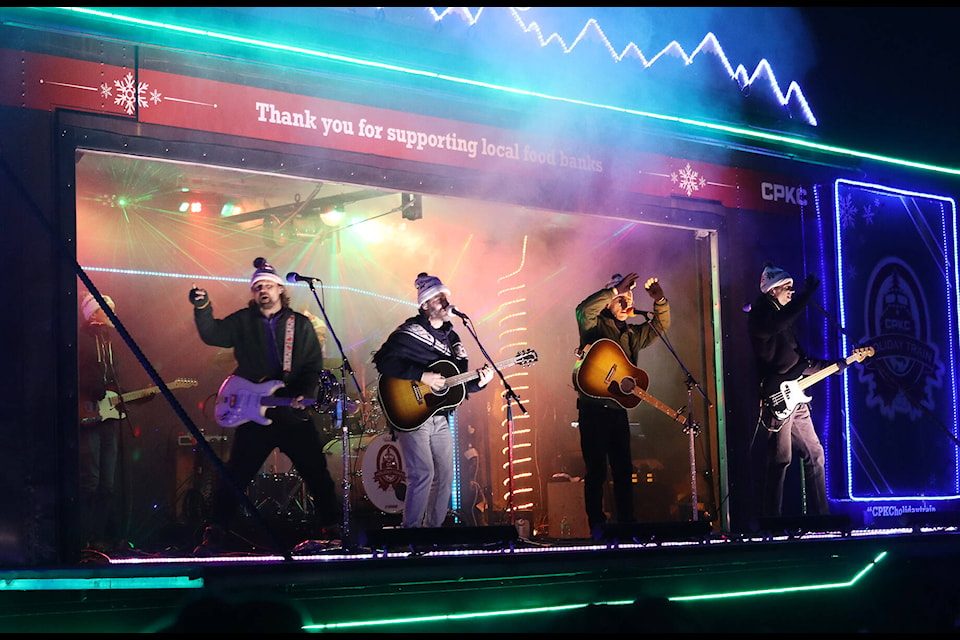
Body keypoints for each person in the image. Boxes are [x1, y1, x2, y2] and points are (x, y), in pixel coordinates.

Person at [188, 257, 340, 554]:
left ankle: (332, 528)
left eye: (269, 286)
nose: (264, 291)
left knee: (316, 471)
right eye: (258, 287)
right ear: (253, 293)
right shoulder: (243, 321)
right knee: (236, 474)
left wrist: (302, 392)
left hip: (290, 413)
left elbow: (312, 364)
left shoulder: (301, 324)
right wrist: (202, 306)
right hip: (254, 411)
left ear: (281, 290)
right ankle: (216, 531)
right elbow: (212, 334)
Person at [372, 273, 494, 528]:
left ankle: (433, 533)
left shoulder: (454, 340)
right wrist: (421, 375)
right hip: (411, 412)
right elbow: (383, 360)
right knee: (422, 473)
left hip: (440, 415)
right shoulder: (409, 332)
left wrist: (480, 382)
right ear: (425, 304)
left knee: (446, 474)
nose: (445, 302)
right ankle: (412, 534)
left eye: (446, 297)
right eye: (439, 298)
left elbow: (458, 383)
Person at [575, 272, 670, 533]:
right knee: (596, 471)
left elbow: (660, 327)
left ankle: (627, 523)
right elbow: (583, 309)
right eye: (621, 300)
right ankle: (597, 525)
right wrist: (615, 290)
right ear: (609, 303)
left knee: (623, 470)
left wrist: (659, 300)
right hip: (593, 410)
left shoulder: (632, 333)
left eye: (630, 298)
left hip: (617, 412)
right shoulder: (594, 326)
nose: (627, 303)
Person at [748, 263, 843, 517]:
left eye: (792, 288)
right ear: (772, 290)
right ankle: (771, 522)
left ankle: (821, 518)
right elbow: (775, 325)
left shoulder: (784, 321)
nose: (791, 291)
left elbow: (801, 363)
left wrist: (840, 364)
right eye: (787, 288)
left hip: (797, 398)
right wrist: (805, 296)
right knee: (780, 461)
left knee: (815, 453)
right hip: (777, 401)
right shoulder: (760, 315)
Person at [77, 292, 126, 553]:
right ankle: (81, 537)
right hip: (88, 415)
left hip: (108, 416)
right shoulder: (81, 339)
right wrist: (95, 391)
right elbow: (75, 374)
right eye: (107, 309)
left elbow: (113, 378)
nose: (112, 314)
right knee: (91, 480)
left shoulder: (109, 341)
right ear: (94, 312)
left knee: (107, 483)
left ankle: (97, 538)